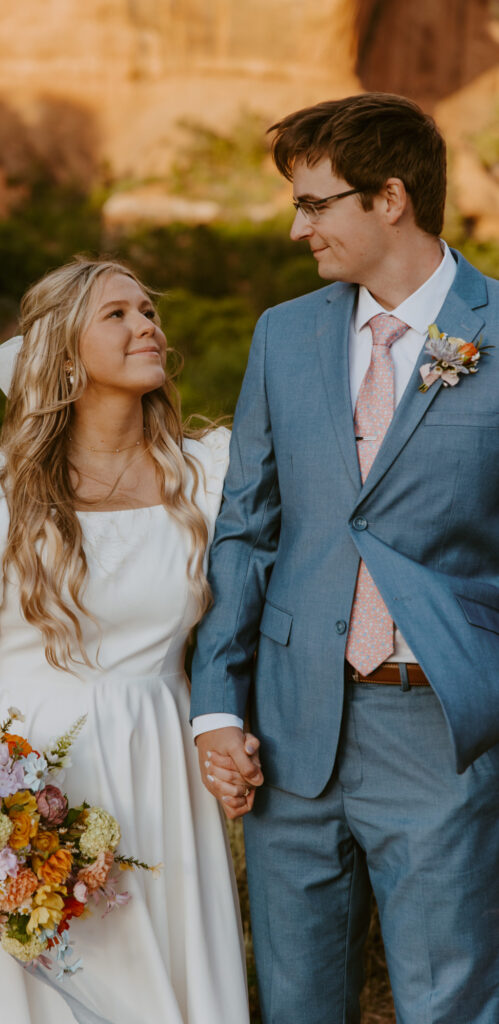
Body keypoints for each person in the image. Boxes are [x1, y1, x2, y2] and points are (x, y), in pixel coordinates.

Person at [190, 93, 499, 1024]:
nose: (297, 229)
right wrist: (216, 705)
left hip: (442, 732)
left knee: (452, 1005)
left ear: (390, 197)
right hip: (291, 733)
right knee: (295, 1004)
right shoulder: (283, 335)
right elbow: (246, 529)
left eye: (315, 203)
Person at [0, 257, 249, 1024]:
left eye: (148, 310)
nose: (146, 324)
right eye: (116, 315)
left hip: (162, 758)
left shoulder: (208, 476)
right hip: (26, 771)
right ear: (63, 353)